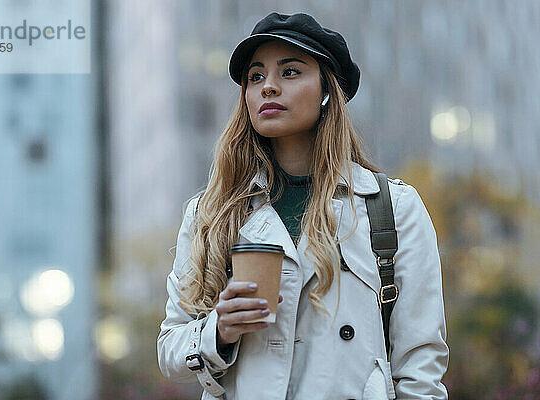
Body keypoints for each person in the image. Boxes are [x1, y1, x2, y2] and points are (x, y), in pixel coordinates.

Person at [157, 12, 449, 400]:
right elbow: (170, 350)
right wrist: (219, 330)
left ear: (328, 91)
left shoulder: (393, 208)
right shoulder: (211, 213)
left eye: (290, 72)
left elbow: (421, 365)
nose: (268, 88)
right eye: (256, 77)